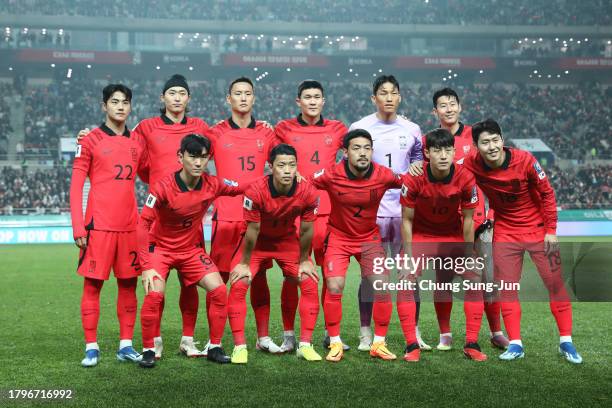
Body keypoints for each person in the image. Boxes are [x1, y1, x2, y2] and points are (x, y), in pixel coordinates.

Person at [78, 74, 209, 359]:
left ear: (188, 98)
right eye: (171, 92)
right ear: (162, 98)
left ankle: (188, 339)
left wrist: (264, 126)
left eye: (182, 93)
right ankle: (155, 339)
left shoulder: (200, 127)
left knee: (190, 282)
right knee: (153, 282)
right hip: (155, 220)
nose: (177, 97)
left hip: (189, 220)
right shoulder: (145, 128)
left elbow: (218, 147)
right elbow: (127, 153)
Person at [464, 119, 581, 364]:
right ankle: (515, 344)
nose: (492, 146)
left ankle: (566, 341)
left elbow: (547, 192)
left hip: (538, 230)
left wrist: (551, 230)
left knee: (555, 284)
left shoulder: (525, 159)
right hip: (506, 232)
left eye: (495, 140)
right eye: (485, 142)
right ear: (476, 146)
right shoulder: (471, 164)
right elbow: (449, 171)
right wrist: (418, 169)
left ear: (502, 140)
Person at [410, 87, 508, 350]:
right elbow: (419, 170)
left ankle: (495, 331)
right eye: (443, 105)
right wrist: (414, 164)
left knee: (487, 277)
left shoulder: (475, 137)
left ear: (460, 107)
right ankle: (445, 334)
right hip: (445, 222)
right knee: (443, 279)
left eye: (453, 104)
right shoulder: (428, 140)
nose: (449, 109)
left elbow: (492, 167)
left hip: (476, 218)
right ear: (435, 111)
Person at [136, 134, 242, 368]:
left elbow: (244, 187)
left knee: (219, 290)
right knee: (154, 294)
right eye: (193, 156)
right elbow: (143, 225)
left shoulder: (213, 183)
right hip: (160, 249)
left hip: (190, 250)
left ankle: (214, 346)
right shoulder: (163, 187)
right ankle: (148, 350)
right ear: (180, 157)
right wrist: (145, 267)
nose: (198, 162)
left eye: (204, 157)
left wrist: (277, 176)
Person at [310, 129, 403, 362]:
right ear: (345, 151)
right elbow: (304, 182)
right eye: (356, 148)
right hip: (338, 238)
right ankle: (335, 342)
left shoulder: (384, 175)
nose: (362, 153)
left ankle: (379, 343)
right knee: (334, 285)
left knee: (381, 286)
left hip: (369, 238)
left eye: (367, 148)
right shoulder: (331, 175)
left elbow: (410, 182)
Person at [349, 74, 426, 351]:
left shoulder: (413, 129)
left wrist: (417, 165)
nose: (389, 97)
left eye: (394, 93)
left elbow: (419, 159)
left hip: (405, 213)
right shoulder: (360, 127)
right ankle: (365, 332)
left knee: (410, 273)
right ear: (374, 98)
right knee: (370, 276)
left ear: (400, 97)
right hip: (373, 214)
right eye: (384, 93)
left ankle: (414, 331)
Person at [70, 84, 144, 367]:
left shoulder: (137, 142)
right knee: (92, 287)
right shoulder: (89, 141)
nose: (121, 106)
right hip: (97, 227)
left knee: (129, 286)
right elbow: (76, 186)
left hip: (128, 226)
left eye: (125, 102)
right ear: (104, 106)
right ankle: (91, 346)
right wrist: (78, 226)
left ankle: (126, 345)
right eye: (115, 102)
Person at [227, 143, 322, 363]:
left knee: (308, 279)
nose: (287, 170)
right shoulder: (255, 190)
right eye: (281, 165)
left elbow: (307, 229)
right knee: (240, 282)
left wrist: (305, 260)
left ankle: (305, 345)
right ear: (271, 166)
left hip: (286, 241)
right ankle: (241, 346)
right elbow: (253, 230)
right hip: (256, 243)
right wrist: (244, 263)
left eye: (292, 165)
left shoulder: (307, 191)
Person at [400, 128, 487, 362]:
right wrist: (408, 255)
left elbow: (468, 219)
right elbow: (406, 220)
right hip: (421, 235)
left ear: (453, 152)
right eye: (437, 150)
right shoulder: (414, 178)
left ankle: (472, 343)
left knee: (474, 277)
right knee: (405, 277)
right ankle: (411, 345)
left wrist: (469, 253)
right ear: (427, 153)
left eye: (448, 150)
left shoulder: (465, 177)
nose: (443, 155)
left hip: (452, 235)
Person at [207, 77, 280, 354]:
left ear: (254, 98)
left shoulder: (267, 133)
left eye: (248, 93)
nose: (243, 98)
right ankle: (215, 340)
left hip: (258, 218)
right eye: (237, 93)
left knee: (258, 278)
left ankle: (263, 338)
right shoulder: (215, 133)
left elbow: (286, 161)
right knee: (219, 281)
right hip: (225, 217)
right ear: (229, 99)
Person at [274, 80, 347, 352]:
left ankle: (332, 334)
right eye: (307, 97)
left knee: (329, 276)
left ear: (323, 101)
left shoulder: (338, 129)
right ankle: (289, 335)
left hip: (329, 213)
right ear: (298, 102)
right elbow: (271, 160)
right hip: (295, 213)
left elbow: (353, 154)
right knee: (294, 276)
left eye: (317, 96)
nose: (313, 101)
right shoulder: (282, 129)